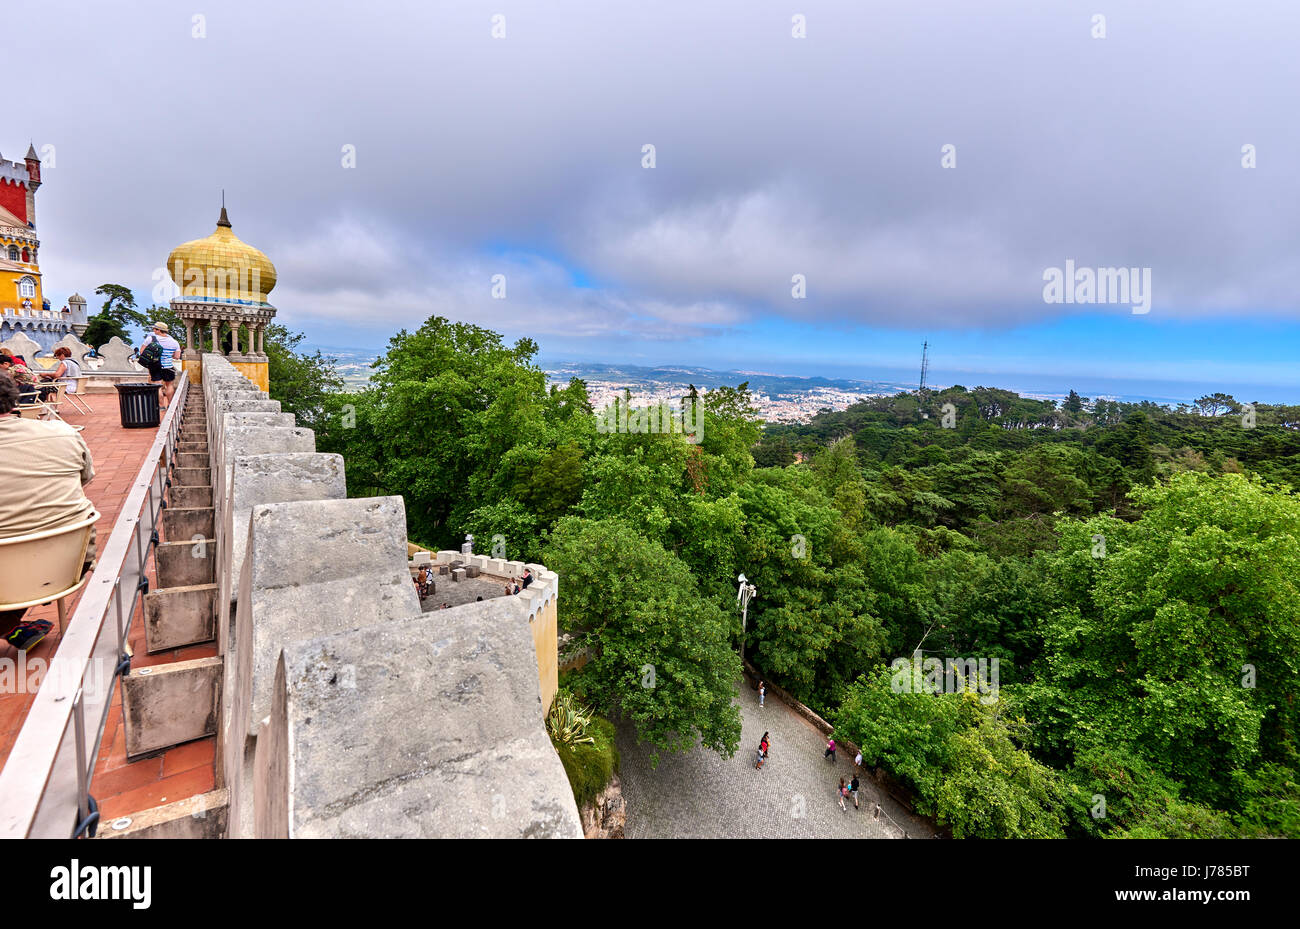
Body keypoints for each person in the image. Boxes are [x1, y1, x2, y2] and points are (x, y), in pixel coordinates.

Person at [0, 372, 97, 653]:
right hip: (66, 562)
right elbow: (85, 478)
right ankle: (10, 624)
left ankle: (7, 623)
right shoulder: (63, 432)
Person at [137, 321, 181, 410]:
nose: (153, 330)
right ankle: (170, 405)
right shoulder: (174, 342)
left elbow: (142, 351)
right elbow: (177, 356)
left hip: (155, 366)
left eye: (154, 329)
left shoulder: (150, 339)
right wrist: (168, 355)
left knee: (158, 386)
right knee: (169, 385)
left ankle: (161, 406)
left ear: (158, 330)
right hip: (168, 366)